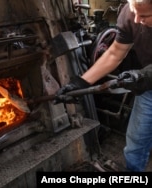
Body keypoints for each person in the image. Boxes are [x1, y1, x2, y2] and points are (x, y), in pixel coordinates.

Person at [54, 0, 152, 172]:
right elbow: (115, 53)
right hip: (149, 90)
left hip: (147, 79)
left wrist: (144, 75)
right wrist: (81, 83)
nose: (136, 20)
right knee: (136, 140)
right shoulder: (130, 14)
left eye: (144, 15)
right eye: (133, 11)